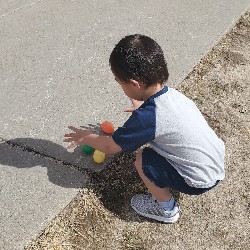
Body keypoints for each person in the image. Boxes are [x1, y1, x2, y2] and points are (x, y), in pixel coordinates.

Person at [64, 34, 225, 223]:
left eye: (119, 82)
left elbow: (110, 147)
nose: (120, 87)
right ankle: (173, 182)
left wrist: (85, 137)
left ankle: (167, 209)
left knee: (142, 159)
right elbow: (163, 120)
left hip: (199, 180)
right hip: (214, 165)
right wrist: (142, 108)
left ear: (134, 84)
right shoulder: (173, 97)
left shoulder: (147, 118)